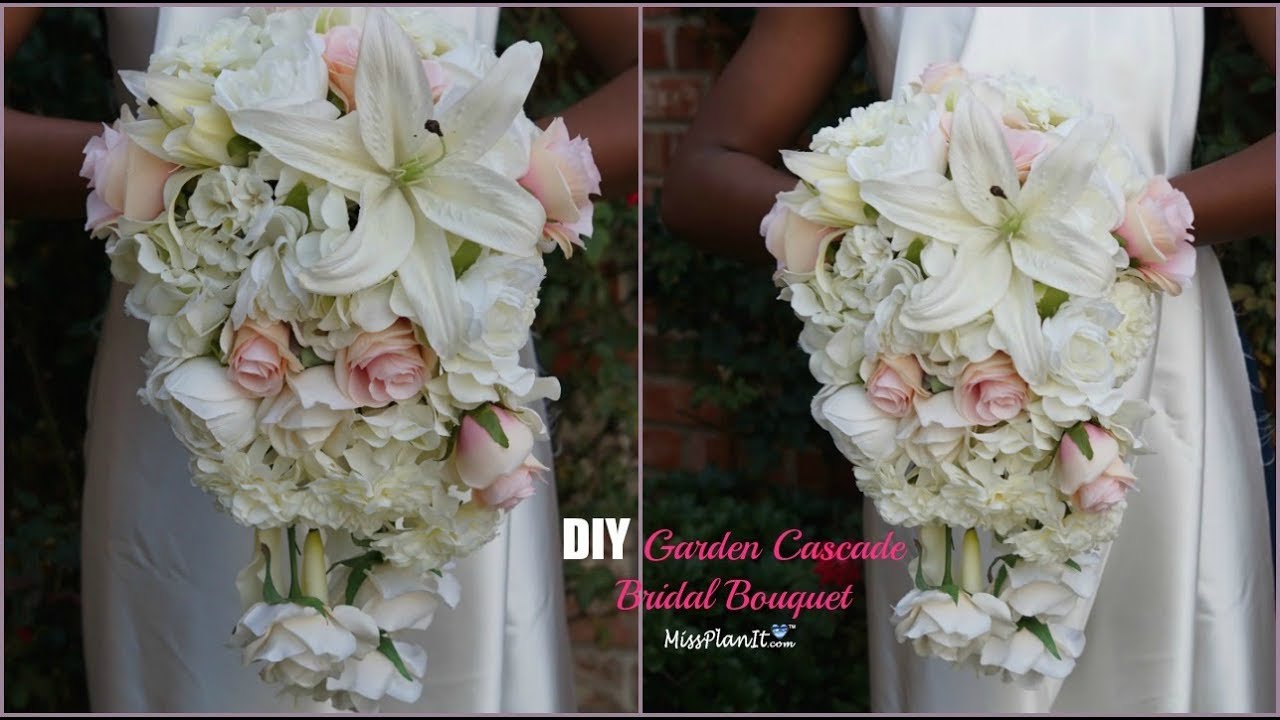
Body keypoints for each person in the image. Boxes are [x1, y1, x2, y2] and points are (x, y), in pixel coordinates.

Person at [4, 6, 636, 712]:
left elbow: (654, 85)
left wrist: (497, 173)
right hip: (191, 382)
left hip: (450, 394)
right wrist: (189, 172)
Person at [662, 7, 1274, 713]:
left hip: (1156, 377)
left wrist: (1109, 228)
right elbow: (702, 177)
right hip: (941, 401)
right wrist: (884, 236)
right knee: (968, 672)